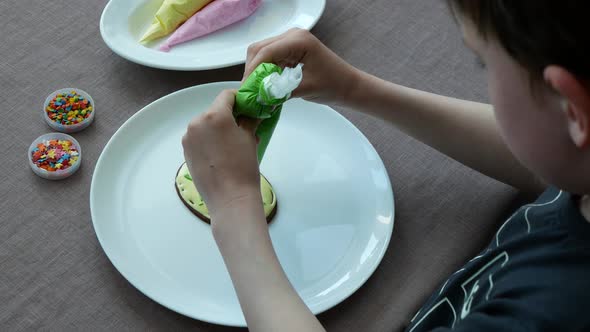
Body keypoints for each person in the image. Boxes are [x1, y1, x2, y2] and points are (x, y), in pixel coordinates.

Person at [181, 1, 590, 331]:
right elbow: (544, 157)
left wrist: (235, 207)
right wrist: (354, 88)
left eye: (483, 63)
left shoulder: (540, 316)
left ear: (571, 109)